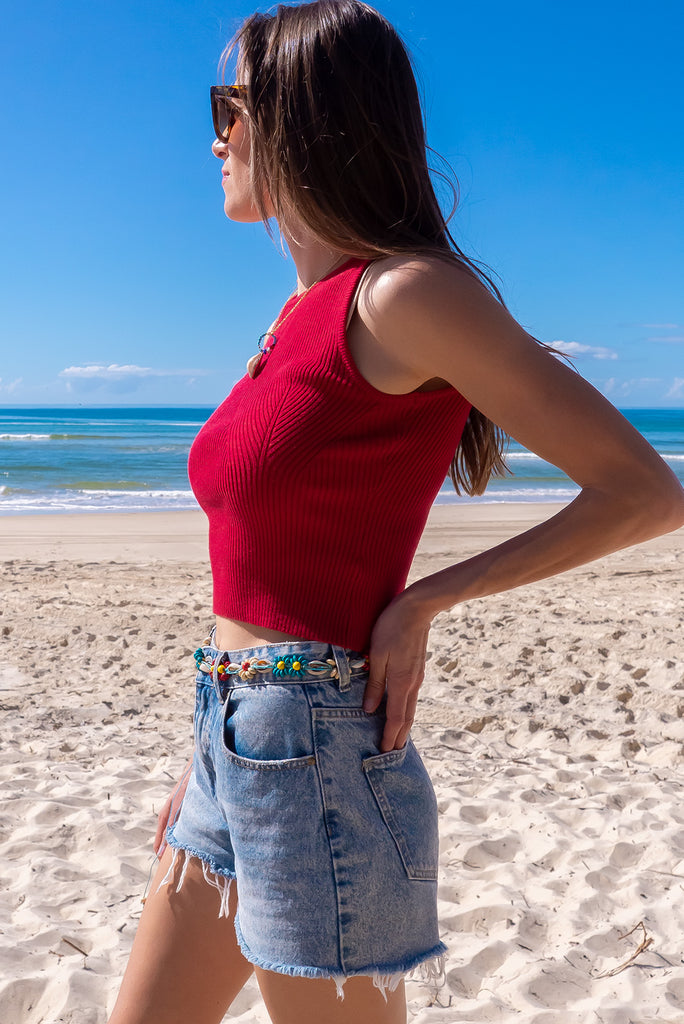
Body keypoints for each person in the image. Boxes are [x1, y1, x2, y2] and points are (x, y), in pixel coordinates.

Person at [107, 3, 684, 1023]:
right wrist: (209, 749)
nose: (216, 137)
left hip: (317, 746)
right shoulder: (295, 315)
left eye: (229, 107)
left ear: (303, 112)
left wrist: (423, 602)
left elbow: (643, 491)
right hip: (233, 730)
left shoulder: (404, 296)